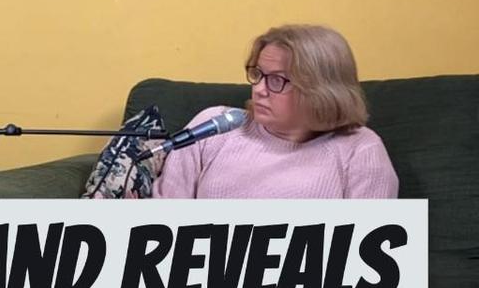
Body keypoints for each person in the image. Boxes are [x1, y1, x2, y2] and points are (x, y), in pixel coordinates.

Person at [154, 24, 398, 198]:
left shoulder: (362, 149)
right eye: (257, 74)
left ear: (321, 90)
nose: (259, 89)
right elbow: (161, 223)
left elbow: (366, 261)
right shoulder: (214, 126)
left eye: (277, 80)